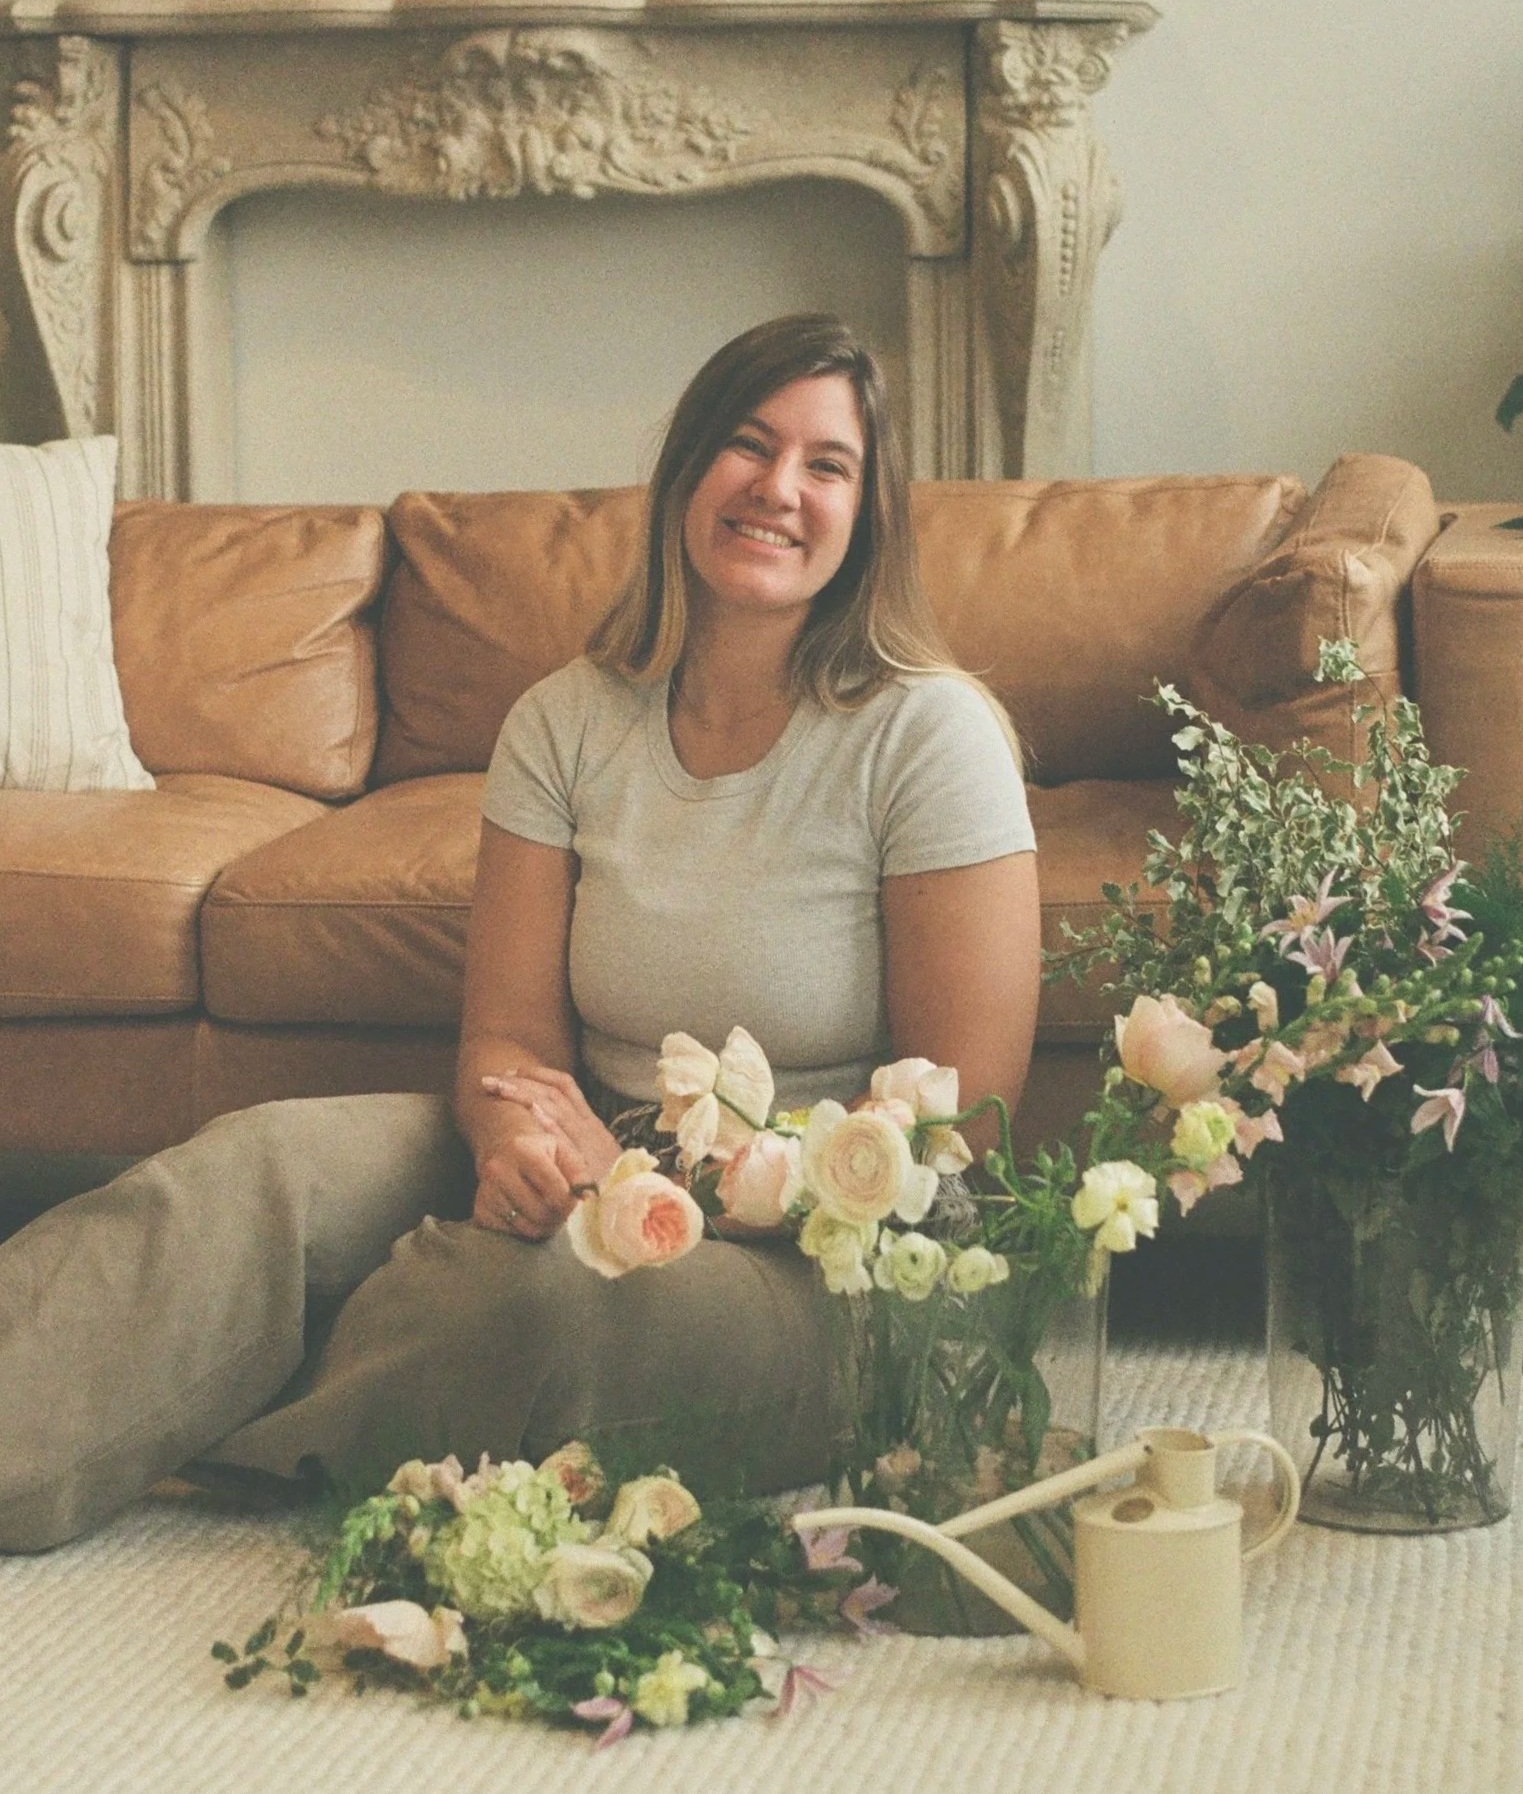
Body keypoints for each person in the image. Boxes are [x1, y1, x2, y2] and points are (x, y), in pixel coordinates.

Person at [0, 315, 1038, 1553]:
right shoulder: (566, 719)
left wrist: (662, 1190)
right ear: (686, 471)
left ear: (867, 518)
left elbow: (954, 1122)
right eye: (748, 445)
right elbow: (505, 1036)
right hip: (589, 1144)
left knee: (535, 1295)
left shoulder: (926, 734)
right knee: (258, 1166)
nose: (777, 487)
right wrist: (516, 1141)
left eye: (827, 465)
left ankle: (203, 1408)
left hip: (824, 1256)